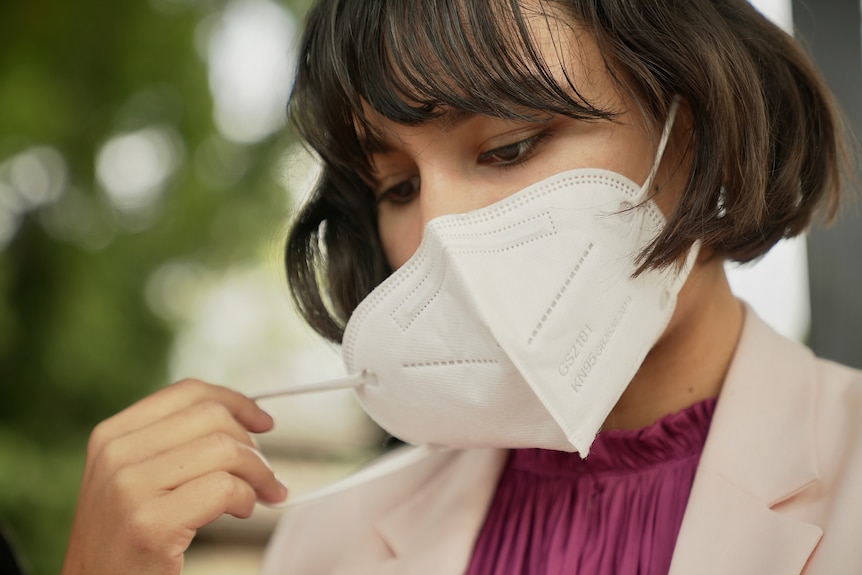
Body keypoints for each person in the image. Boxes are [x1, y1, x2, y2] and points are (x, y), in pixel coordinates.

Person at [63, 0, 862, 574]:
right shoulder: (325, 544)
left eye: (509, 147)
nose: (439, 233)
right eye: (398, 187)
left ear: (695, 128)